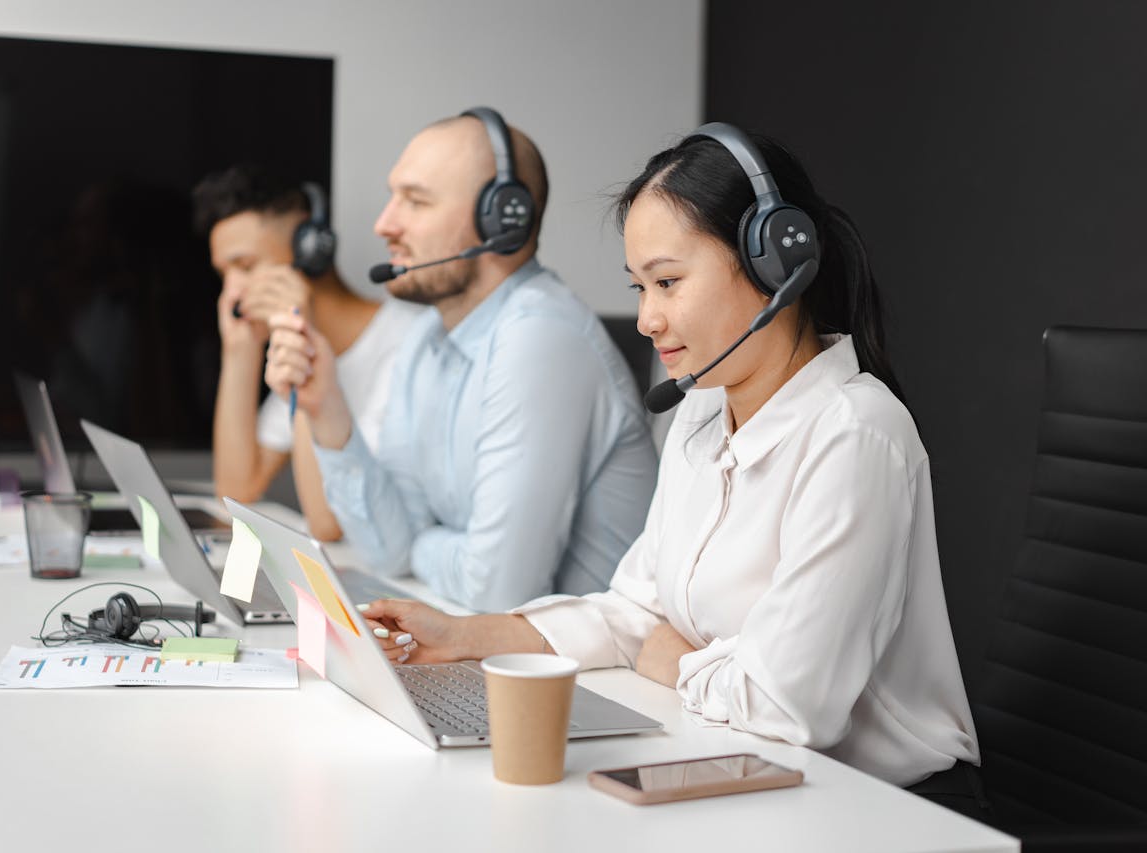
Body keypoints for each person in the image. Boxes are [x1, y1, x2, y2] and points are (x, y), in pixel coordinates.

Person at [355, 124, 982, 792]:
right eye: (639, 288)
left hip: (881, 806)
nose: (649, 318)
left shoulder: (857, 435)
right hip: (752, 772)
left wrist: (667, 651)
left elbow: (784, 706)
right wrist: (464, 635)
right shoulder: (703, 411)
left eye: (668, 281)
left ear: (776, 262)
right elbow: (631, 614)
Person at [264, 108, 658, 611]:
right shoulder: (427, 336)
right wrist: (327, 409)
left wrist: (424, 543)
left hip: (585, 677)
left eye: (416, 200)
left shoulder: (541, 337)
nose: (385, 223)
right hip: (489, 647)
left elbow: (498, 590)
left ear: (501, 219)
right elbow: (387, 550)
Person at [193, 166, 420, 540]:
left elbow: (329, 524)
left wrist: (304, 348)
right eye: (223, 275)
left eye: (245, 266)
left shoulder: (407, 343)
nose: (232, 292)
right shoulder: (284, 356)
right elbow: (236, 492)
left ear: (311, 250)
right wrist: (239, 351)